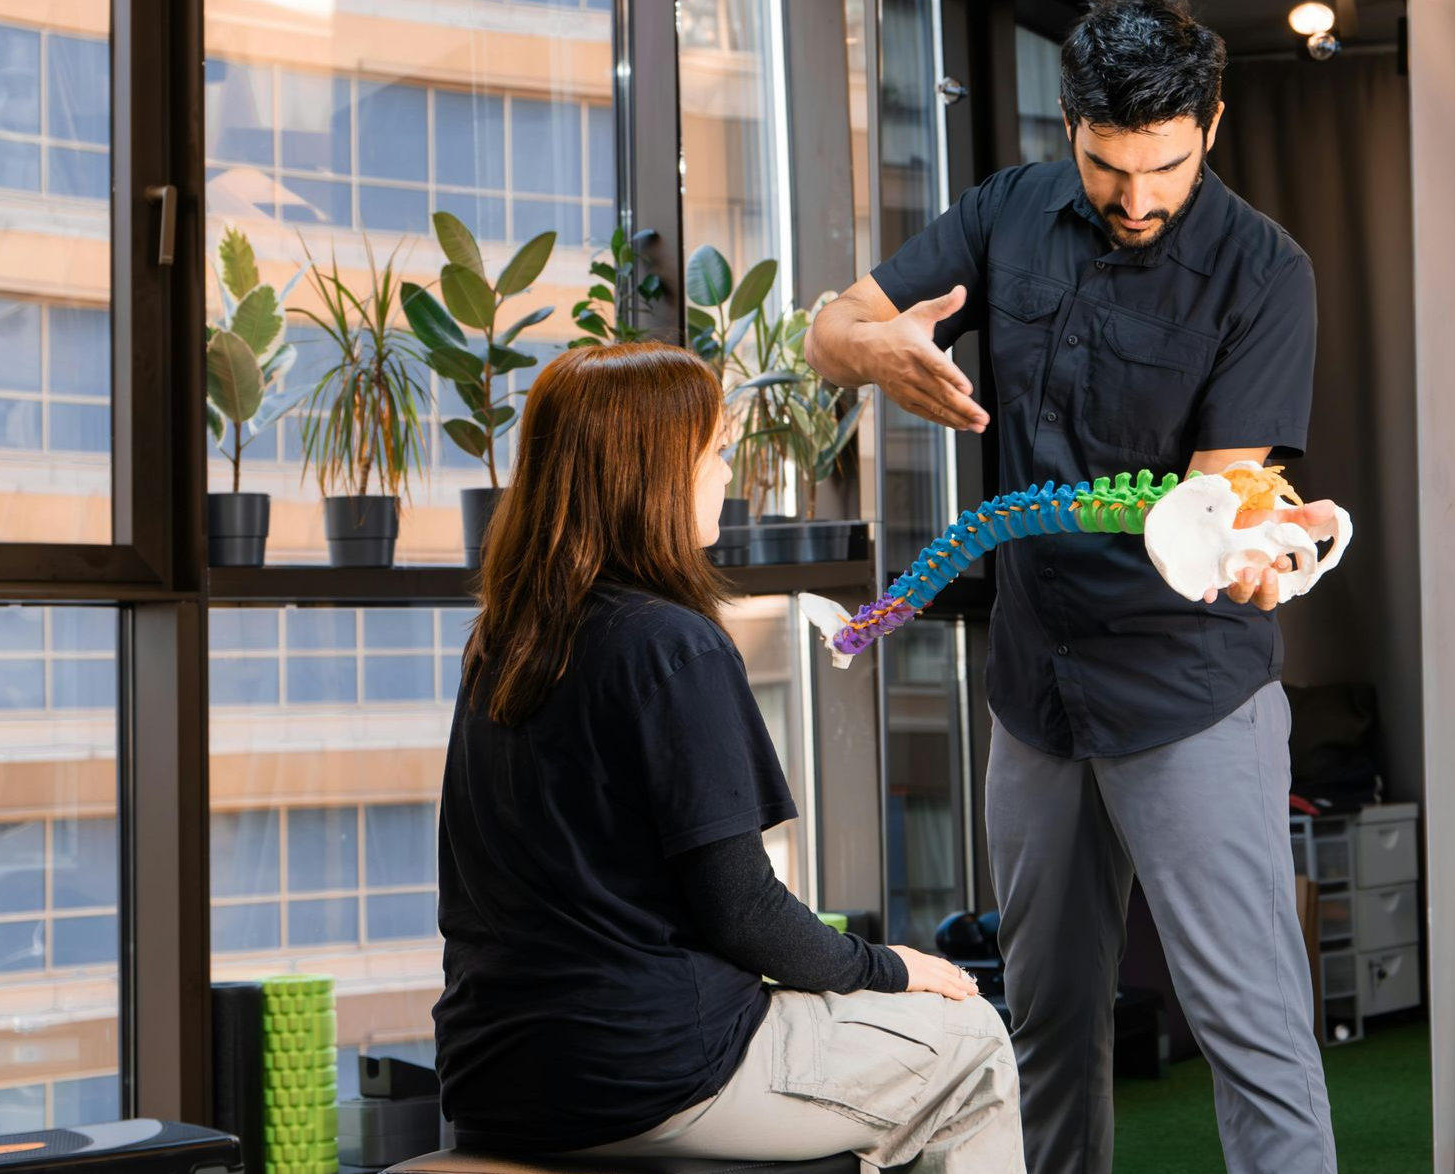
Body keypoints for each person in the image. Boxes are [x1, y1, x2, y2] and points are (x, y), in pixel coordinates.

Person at [803, 3, 1339, 1173]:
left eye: (1165, 168)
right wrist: (878, 349)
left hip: (1186, 688)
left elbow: (1218, 499)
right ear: (1070, 130)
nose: (1137, 198)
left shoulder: (1264, 272)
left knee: (1251, 1032)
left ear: (1211, 126)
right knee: (1042, 1026)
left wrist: (1249, 548)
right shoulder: (1006, 213)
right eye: (1107, 166)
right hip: (1035, 695)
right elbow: (831, 325)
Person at [431, 342, 1025, 1172]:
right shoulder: (671, 645)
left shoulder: (502, 644)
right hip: (654, 1078)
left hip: (494, 1078)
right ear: (652, 474)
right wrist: (891, 968)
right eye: (712, 452)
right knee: (971, 1038)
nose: (724, 472)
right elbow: (741, 910)